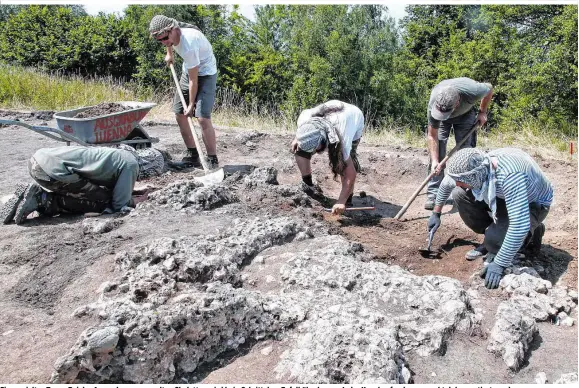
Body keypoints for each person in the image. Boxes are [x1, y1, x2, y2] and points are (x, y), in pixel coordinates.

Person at [427, 148, 553, 289]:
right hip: (503, 196)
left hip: (533, 204)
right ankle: (493, 233)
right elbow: (447, 183)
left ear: (474, 177)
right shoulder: (478, 168)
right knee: (459, 194)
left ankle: (532, 229)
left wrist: (500, 264)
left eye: (460, 181)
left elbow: (519, 225)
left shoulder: (510, 176)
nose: (457, 182)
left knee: (494, 243)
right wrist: (436, 213)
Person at [1, 145, 166, 225]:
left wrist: (133, 189)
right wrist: (136, 200)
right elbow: (119, 204)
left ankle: (28, 195)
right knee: (103, 202)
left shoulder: (123, 156)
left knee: (86, 190)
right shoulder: (131, 166)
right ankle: (44, 201)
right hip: (54, 172)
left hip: (38, 162)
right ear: (150, 166)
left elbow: (100, 178)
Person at [149, 14, 219, 169]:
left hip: (206, 73)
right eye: (159, 40)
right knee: (180, 113)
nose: (164, 42)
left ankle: (212, 159)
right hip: (189, 71)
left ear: (173, 30)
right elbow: (189, 73)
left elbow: (195, 80)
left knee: (202, 118)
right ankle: (193, 155)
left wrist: (192, 104)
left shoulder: (189, 44)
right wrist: (169, 53)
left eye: (165, 38)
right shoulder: (170, 34)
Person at [425, 77, 494, 211]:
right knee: (438, 154)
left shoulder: (472, 91)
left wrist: (483, 112)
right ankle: (433, 194)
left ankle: (464, 194)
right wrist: (434, 161)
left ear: (457, 103)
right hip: (442, 119)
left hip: (466, 115)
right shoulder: (435, 102)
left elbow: (489, 88)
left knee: (466, 154)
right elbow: (432, 135)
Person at [290, 100, 364, 215]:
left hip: (353, 117)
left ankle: (347, 198)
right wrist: (298, 139)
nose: (314, 152)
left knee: (344, 162)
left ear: (325, 140)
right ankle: (308, 185)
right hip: (332, 113)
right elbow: (302, 134)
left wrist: (341, 201)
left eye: (316, 148)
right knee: (299, 149)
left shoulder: (343, 139)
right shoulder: (304, 119)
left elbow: (351, 174)